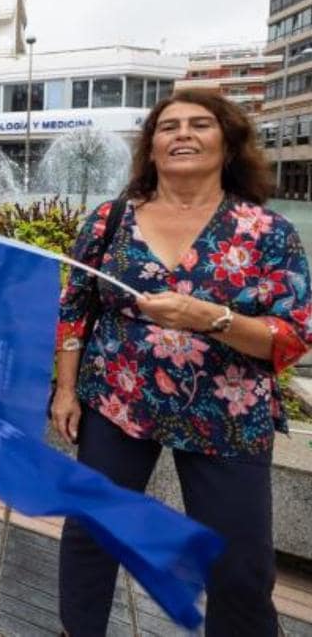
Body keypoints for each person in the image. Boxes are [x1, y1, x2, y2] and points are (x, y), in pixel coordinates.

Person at [51, 89, 312, 637]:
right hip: (118, 400)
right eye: (168, 127)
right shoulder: (110, 220)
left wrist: (211, 318)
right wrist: (66, 390)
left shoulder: (268, 234)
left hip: (227, 413)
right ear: (151, 147)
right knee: (91, 535)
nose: (182, 134)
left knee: (239, 564)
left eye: (200, 125)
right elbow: (75, 311)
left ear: (228, 143)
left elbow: (291, 337)